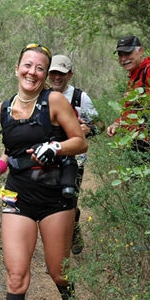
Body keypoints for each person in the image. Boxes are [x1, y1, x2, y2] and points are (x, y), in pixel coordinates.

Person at [0, 44, 88, 300]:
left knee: (59, 273)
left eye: (40, 68)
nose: (33, 72)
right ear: (17, 69)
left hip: (54, 198)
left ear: (45, 75)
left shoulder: (54, 101)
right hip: (19, 197)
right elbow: (11, 150)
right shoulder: (2, 109)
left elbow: (80, 142)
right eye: (28, 65)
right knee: (16, 278)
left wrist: (55, 147)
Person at [48, 55, 99, 255]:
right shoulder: (41, 95)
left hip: (75, 160)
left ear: (70, 74)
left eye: (61, 73)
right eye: (53, 73)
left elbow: (99, 124)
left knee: (69, 202)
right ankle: (58, 249)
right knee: (53, 206)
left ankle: (71, 231)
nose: (56, 77)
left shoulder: (80, 98)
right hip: (48, 159)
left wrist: (89, 130)